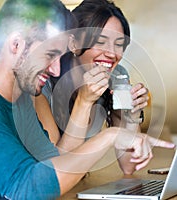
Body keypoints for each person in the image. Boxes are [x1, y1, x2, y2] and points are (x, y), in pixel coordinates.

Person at [0, 0, 175, 199]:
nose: (55, 70)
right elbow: (24, 188)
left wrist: (125, 117)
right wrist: (110, 135)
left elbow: (53, 164)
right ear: (16, 44)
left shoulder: (22, 97)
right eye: (50, 55)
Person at [35, 0, 159, 175]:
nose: (111, 53)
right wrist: (84, 101)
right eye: (100, 42)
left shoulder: (116, 76)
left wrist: (131, 114)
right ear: (74, 44)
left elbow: (129, 166)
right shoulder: (44, 81)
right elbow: (56, 171)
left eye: (118, 44)